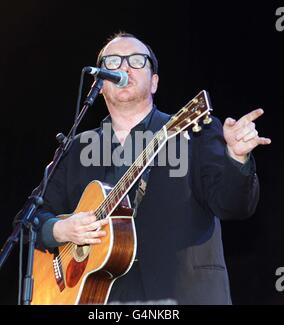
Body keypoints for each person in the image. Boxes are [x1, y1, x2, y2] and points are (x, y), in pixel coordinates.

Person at [35, 32, 271, 304]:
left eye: (136, 60)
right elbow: (30, 219)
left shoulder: (193, 132)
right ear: (100, 85)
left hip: (181, 295)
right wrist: (59, 231)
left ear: (154, 82)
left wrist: (236, 158)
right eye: (112, 62)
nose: (124, 67)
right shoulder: (76, 149)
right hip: (101, 299)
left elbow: (234, 206)